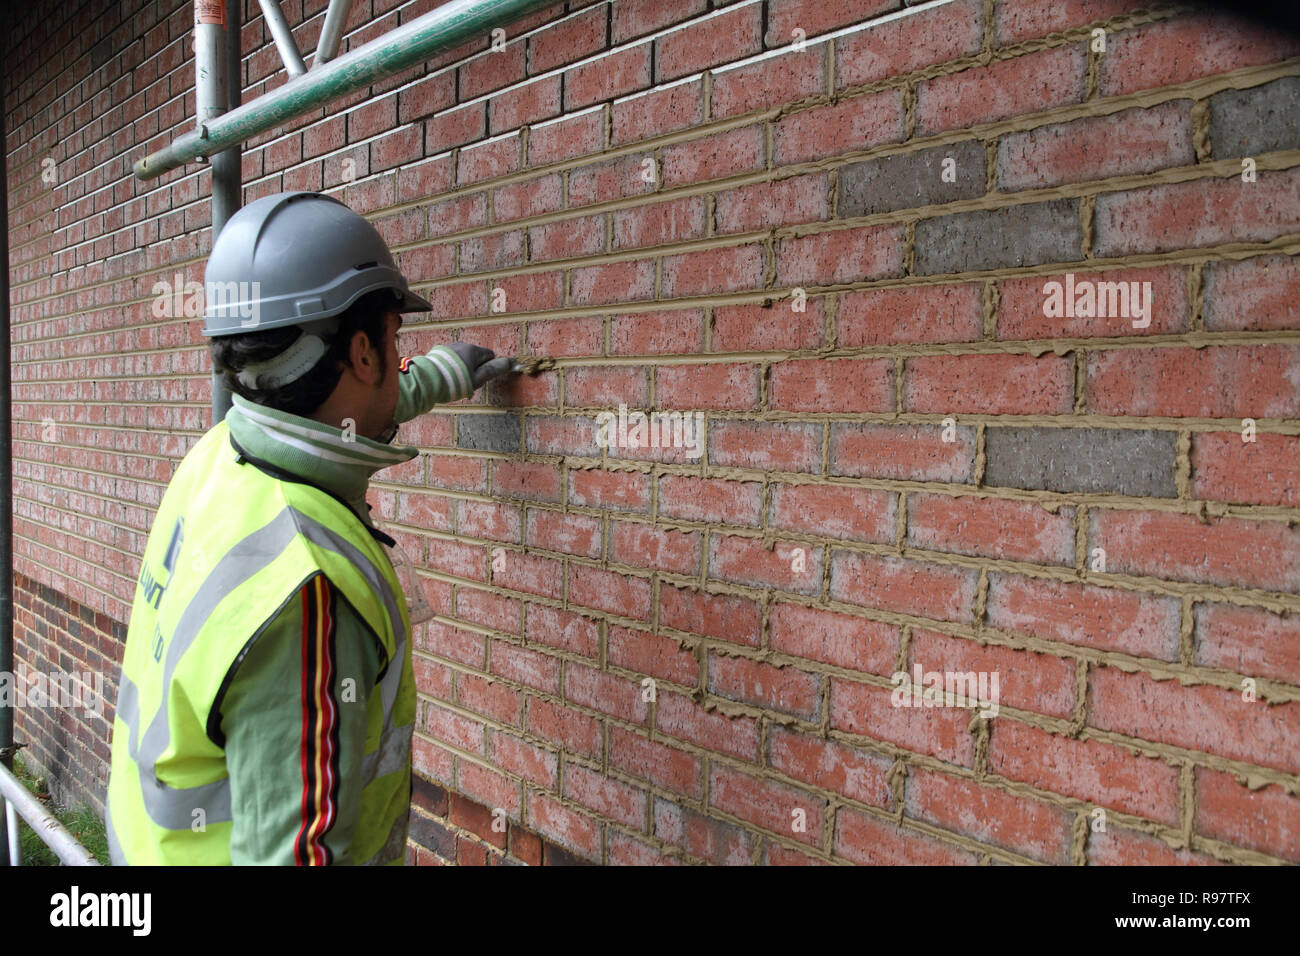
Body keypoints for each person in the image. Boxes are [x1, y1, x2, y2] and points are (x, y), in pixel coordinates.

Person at [105, 191, 512, 864]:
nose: (394, 356)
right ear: (361, 353)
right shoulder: (305, 591)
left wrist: (440, 373)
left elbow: (341, 408)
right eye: (393, 340)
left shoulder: (216, 459)